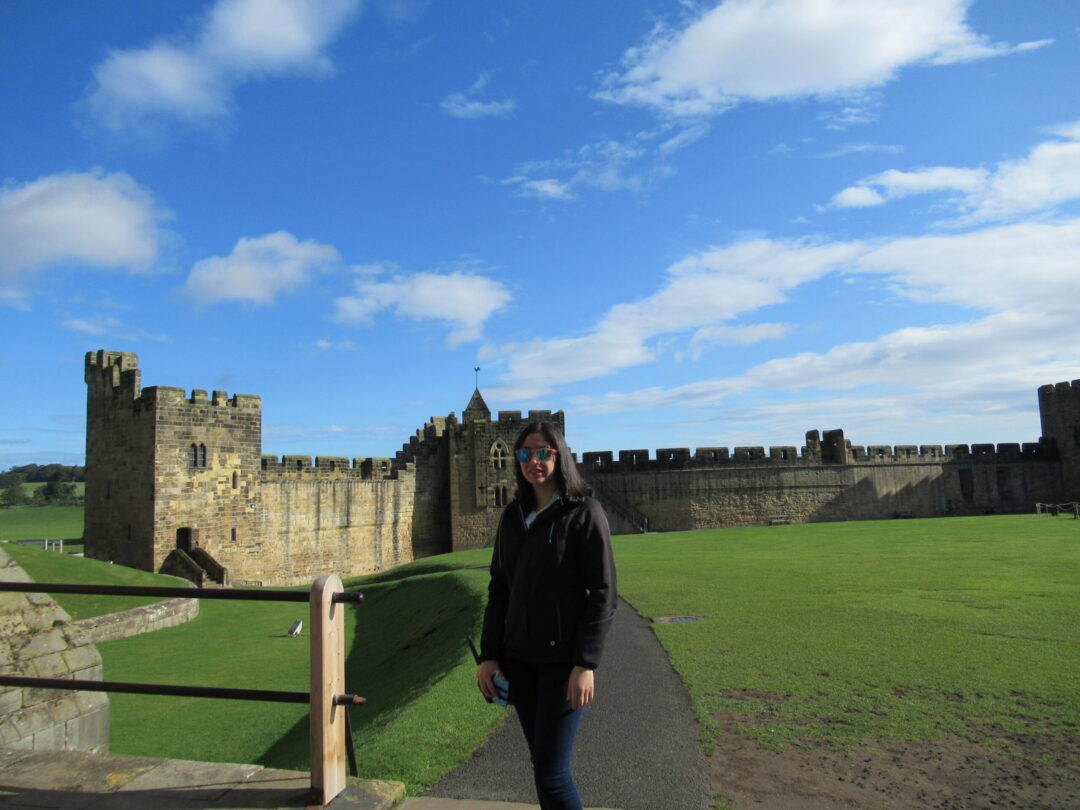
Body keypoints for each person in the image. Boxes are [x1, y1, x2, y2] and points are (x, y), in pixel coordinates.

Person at [477, 421, 617, 810]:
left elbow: (603, 593)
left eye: (543, 453)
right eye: (524, 454)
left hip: (562, 664)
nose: (533, 462)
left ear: (560, 456)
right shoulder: (512, 517)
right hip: (520, 660)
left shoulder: (583, 512)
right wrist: (490, 655)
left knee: (552, 775)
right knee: (542, 767)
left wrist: (585, 663)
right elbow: (499, 590)